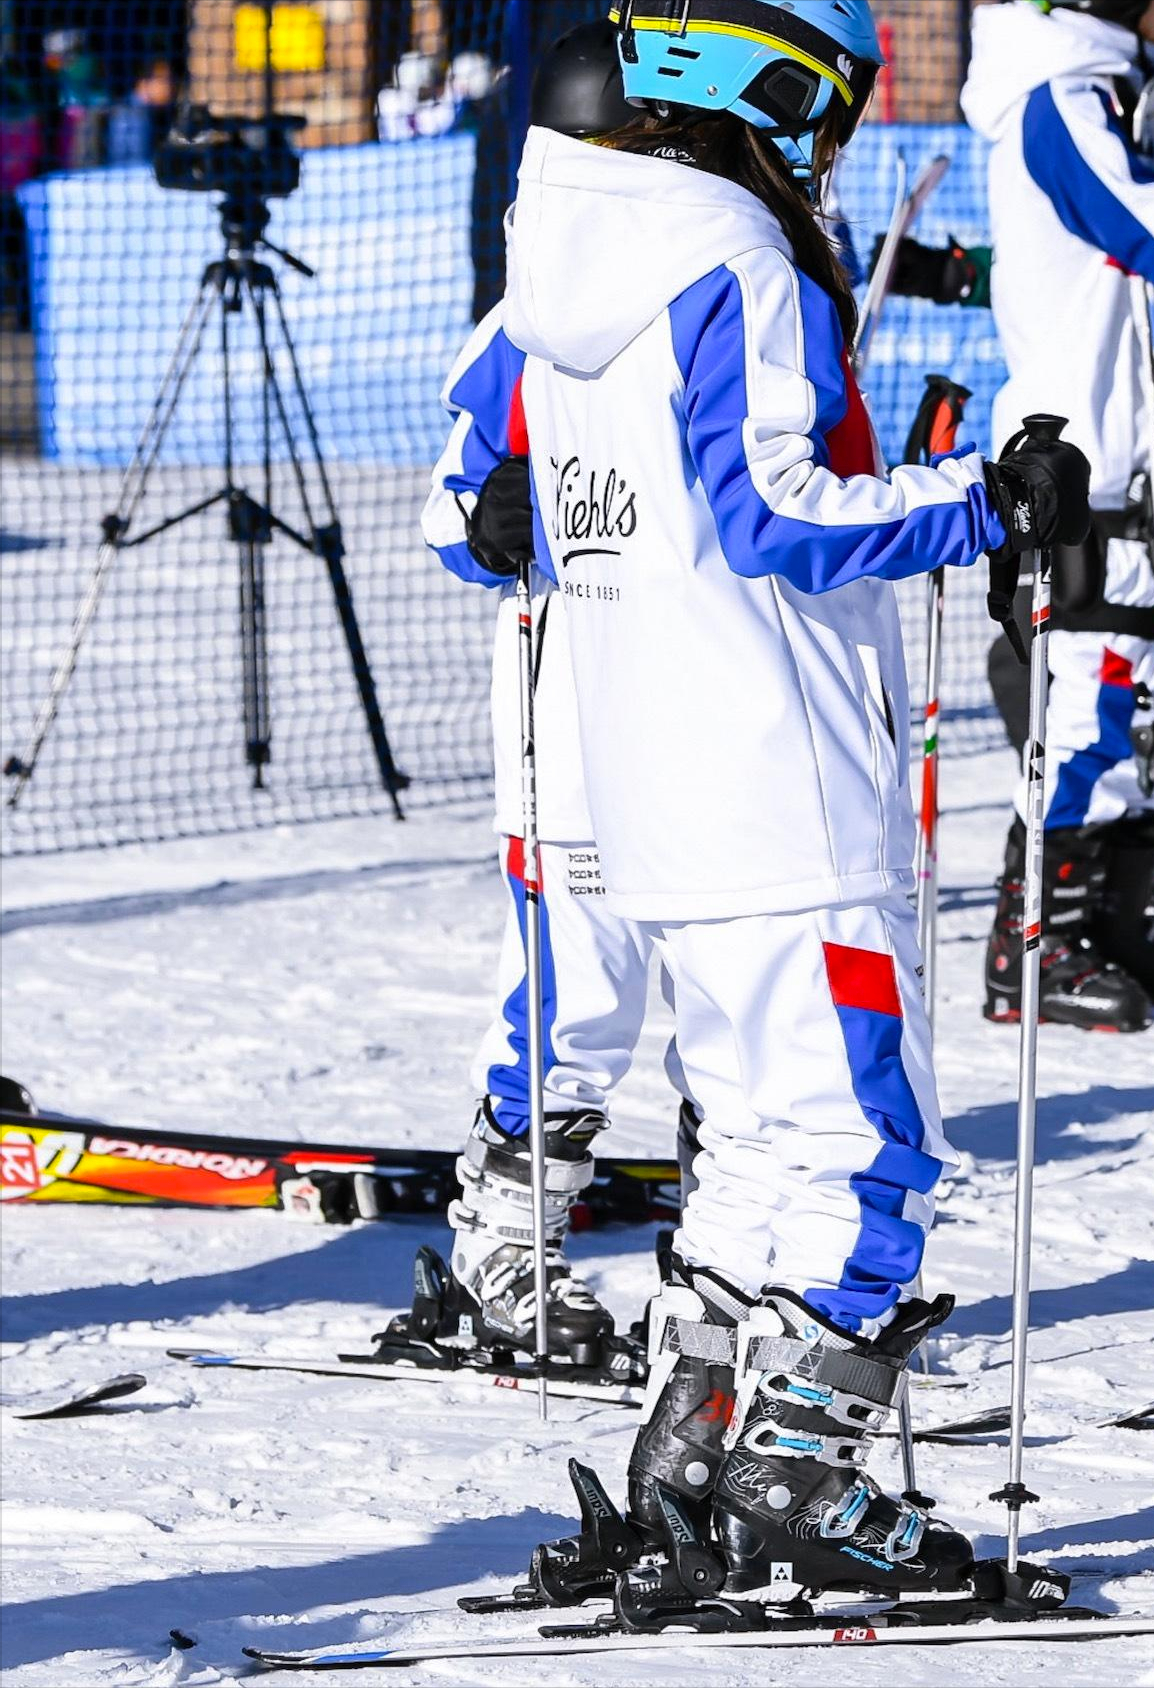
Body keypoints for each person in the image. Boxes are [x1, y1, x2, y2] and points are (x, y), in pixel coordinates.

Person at [496, 0, 1088, 1606]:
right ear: (749, 81)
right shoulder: (731, 253)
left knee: (754, 1144)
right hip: (779, 780)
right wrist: (982, 499)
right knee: (861, 1144)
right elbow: (775, 513)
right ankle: (797, 1469)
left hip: (655, 789)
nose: (826, 151)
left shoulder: (568, 248)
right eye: (822, 109)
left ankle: (689, 1452)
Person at [403, 22, 659, 1380]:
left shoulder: (718, 274)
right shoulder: (529, 320)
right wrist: (490, 517)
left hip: (688, 694)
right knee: (579, 988)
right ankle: (513, 1254)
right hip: (565, 698)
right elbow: (444, 505)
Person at [960, 0, 1154, 1034]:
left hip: (1147, 454)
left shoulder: (1109, 91)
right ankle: (1035, 940)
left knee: (1142, 705)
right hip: (1089, 460)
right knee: (1084, 709)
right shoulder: (1061, 101)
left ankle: (1113, 914)